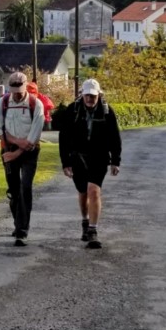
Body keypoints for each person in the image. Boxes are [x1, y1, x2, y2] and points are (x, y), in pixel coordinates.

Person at [59, 77, 121, 248]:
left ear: (99, 95)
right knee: (82, 192)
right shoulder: (72, 110)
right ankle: (85, 221)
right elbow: (63, 138)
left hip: (99, 157)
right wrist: (65, 162)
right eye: (87, 95)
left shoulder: (107, 112)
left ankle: (93, 231)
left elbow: (115, 137)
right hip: (78, 157)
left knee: (93, 191)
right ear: (82, 95)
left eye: (93, 96)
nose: (90, 99)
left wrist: (115, 161)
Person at [0, 70, 45, 246]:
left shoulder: (36, 104)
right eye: (14, 92)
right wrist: (16, 143)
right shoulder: (2, 103)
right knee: (14, 189)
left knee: (25, 187)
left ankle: (22, 231)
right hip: (8, 149)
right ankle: (18, 223)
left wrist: (17, 152)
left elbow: (34, 137)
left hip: (29, 152)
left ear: (25, 88)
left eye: (19, 92)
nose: (16, 95)